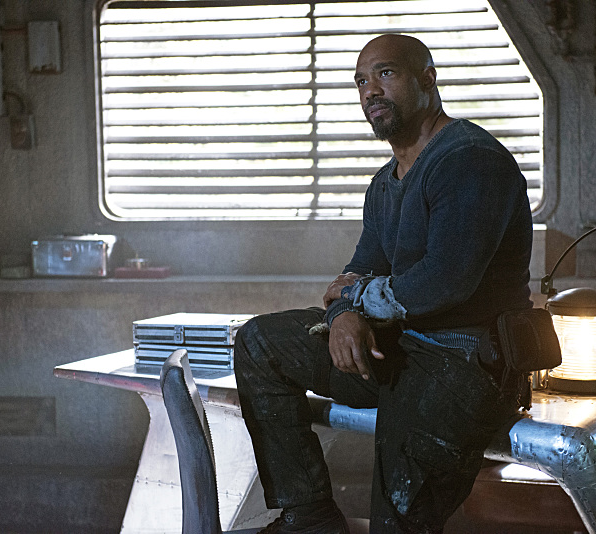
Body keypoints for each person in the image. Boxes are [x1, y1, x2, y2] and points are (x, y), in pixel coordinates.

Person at [234, 33, 533, 534]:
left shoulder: (469, 160)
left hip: (465, 363)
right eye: (360, 81)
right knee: (261, 342)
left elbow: (444, 282)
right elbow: (354, 273)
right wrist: (341, 317)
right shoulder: (384, 183)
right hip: (400, 350)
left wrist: (354, 299)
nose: (370, 90)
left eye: (385, 74)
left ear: (427, 79)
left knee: (396, 521)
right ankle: (308, 518)